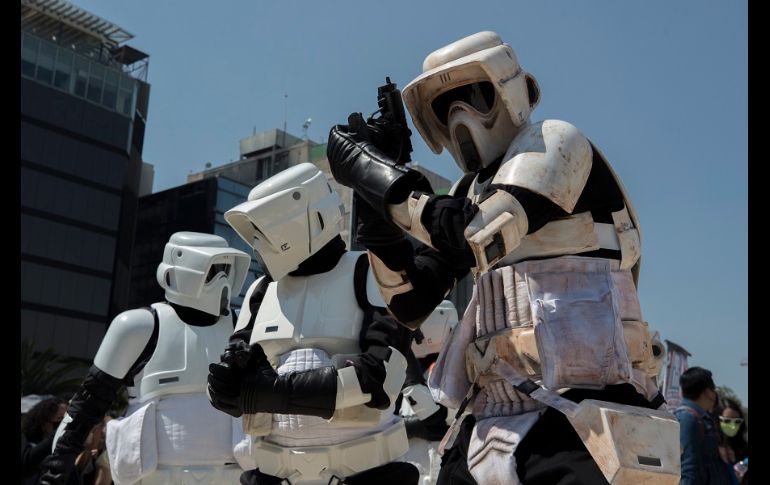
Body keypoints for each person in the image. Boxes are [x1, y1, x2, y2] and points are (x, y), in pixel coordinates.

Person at [326, 30, 674, 484]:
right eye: (444, 106)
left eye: (473, 96)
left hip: (588, 407)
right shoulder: (465, 192)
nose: (459, 117)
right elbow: (410, 303)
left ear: (516, 92)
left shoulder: (555, 143)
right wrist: (374, 210)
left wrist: (375, 175)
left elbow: (475, 234)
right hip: (488, 412)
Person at [207, 162, 418, 485]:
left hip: (364, 473)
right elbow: (238, 374)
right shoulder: (260, 292)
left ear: (306, 216)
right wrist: (226, 387)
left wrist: (273, 392)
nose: (259, 241)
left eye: (265, 227)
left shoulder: (370, 272)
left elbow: (380, 377)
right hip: (274, 474)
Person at [40, 232, 251, 485]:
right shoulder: (139, 326)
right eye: (214, 269)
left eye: (227, 270)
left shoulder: (243, 326)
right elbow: (88, 403)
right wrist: (58, 466)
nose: (222, 280)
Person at [398, 300, 458, 485]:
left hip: (441, 465)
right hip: (410, 466)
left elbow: (437, 416)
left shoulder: (457, 363)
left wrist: (403, 349)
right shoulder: (401, 363)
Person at [674, 367, 735, 485]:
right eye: (713, 390)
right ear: (707, 392)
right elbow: (688, 467)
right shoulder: (689, 418)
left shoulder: (702, 418)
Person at [720, 398, 748, 484]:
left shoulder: (743, 447)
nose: (732, 426)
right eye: (727, 421)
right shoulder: (711, 445)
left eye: (737, 421)